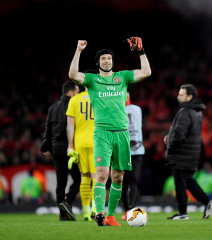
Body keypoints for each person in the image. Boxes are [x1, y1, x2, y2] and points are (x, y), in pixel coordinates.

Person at [68, 37, 151, 227]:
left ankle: (111, 216)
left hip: (121, 134)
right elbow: (73, 74)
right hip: (102, 134)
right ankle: (99, 213)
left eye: (109, 58)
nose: (107, 61)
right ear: (98, 62)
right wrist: (78, 50)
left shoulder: (122, 77)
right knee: (102, 174)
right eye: (103, 59)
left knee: (118, 176)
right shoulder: (92, 80)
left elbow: (146, 72)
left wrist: (141, 51)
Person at [164, 84, 212, 220]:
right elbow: (189, 133)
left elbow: (180, 134)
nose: (178, 97)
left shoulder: (185, 112)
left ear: (190, 97)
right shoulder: (197, 112)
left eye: (181, 95)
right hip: (192, 153)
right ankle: (208, 202)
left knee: (180, 183)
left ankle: (182, 212)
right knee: (188, 181)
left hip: (182, 153)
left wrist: (170, 144)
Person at [40, 81, 81, 221]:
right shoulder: (75, 106)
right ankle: (67, 202)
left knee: (61, 182)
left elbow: (48, 129)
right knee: (79, 179)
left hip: (56, 148)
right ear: (70, 93)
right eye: (76, 92)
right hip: (70, 148)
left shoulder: (52, 108)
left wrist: (47, 148)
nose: (78, 94)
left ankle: (62, 214)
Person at [66, 70, 97, 221]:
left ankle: (86, 213)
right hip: (98, 142)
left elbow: (70, 126)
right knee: (98, 177)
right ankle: (96, 210)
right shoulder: (101, 98)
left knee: (84, 177)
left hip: (80, 143)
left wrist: (70, 145)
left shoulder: (74, 100)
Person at [121, 92, 145, 220]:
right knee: (130, 181)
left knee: (128, 182)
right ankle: (128, 210)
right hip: (137, 150)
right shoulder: (138, 109)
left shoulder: (119, 110)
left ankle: (129, 210)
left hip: (126, 151)